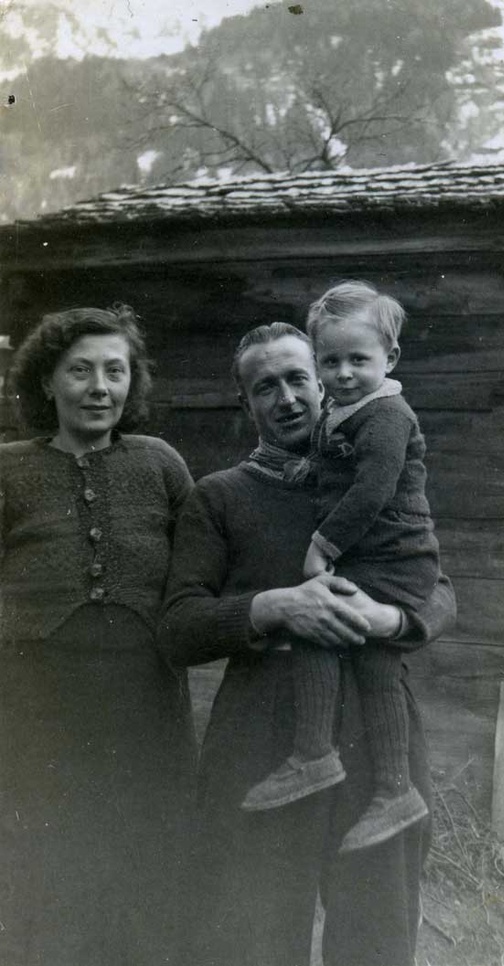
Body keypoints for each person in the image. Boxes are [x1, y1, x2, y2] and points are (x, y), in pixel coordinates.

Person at [159, 320, 456, 966]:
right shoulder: (220, 497)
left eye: (299, 378)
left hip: (376, 734)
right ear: (246, 404)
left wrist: (391, 622)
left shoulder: (377, 473)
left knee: (376, 931)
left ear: (325, 380)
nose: (288, 398)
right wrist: (274, 607)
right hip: (263, 736)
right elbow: (178, 627)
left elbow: (437, 584)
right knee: (252, 934)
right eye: (266, 387)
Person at [0, 305, 197, 966]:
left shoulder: (162, 465)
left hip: (145, 695)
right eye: (79, 371)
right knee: (50, 864)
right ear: (46, 382)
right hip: (38, 703)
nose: (99, 387)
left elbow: (199, 569)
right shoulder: (9, 470)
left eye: (115, 371)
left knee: (145, 858)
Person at [242, 282, 441, 855]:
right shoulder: (346, 411)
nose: (345, 373)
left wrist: (323, 544)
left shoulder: (385, 415)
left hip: (390, 559)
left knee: (319, 623)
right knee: (376, 662)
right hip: (391, 560)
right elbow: (337, 469)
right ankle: (394, 789)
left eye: (359, 360)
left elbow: (372, 489)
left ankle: (313, 753)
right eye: (331, 361)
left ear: (390, 359)